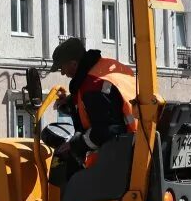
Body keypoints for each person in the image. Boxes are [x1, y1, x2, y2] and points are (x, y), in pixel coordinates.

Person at [49, 37, 138, 182]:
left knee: (74, 185)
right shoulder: (106, 68)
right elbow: (112, 100)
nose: (63, 74)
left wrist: (73, 144)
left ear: (74, 63)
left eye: (62, 68)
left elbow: (104, 131)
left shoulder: (92, 87)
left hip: (118, 158)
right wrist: (71, 101)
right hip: (136, 144)